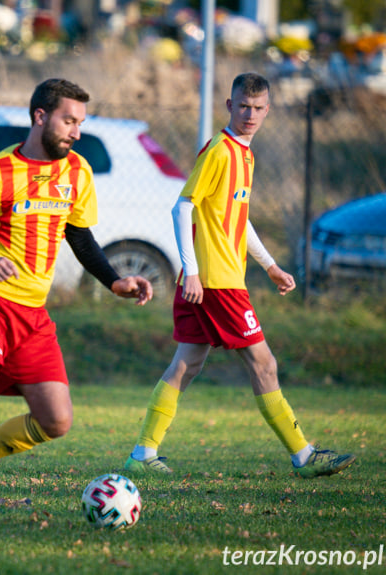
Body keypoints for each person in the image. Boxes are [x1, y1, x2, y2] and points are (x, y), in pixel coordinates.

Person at [0, 79, 153, 526]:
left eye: (81, 123)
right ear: (39, 116)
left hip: (33, 315)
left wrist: (115, 281)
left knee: (56, 420)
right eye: (68, 120)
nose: (76, 132)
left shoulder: (77, 172)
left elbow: (79, 235)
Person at [124, 73, 355, 479]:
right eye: (243, 106)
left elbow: (238, 218)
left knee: (186, 364)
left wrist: (269, 265)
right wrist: (192, 272)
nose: (250, 114)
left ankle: (143, 453)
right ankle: (303, 456)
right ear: (229, 105)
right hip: (216, 281)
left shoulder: (245, 155)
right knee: (264, 363)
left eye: (258, 107)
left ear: (267, 110)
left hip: (214, 278)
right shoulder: (220, 150)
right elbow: (183, 207)